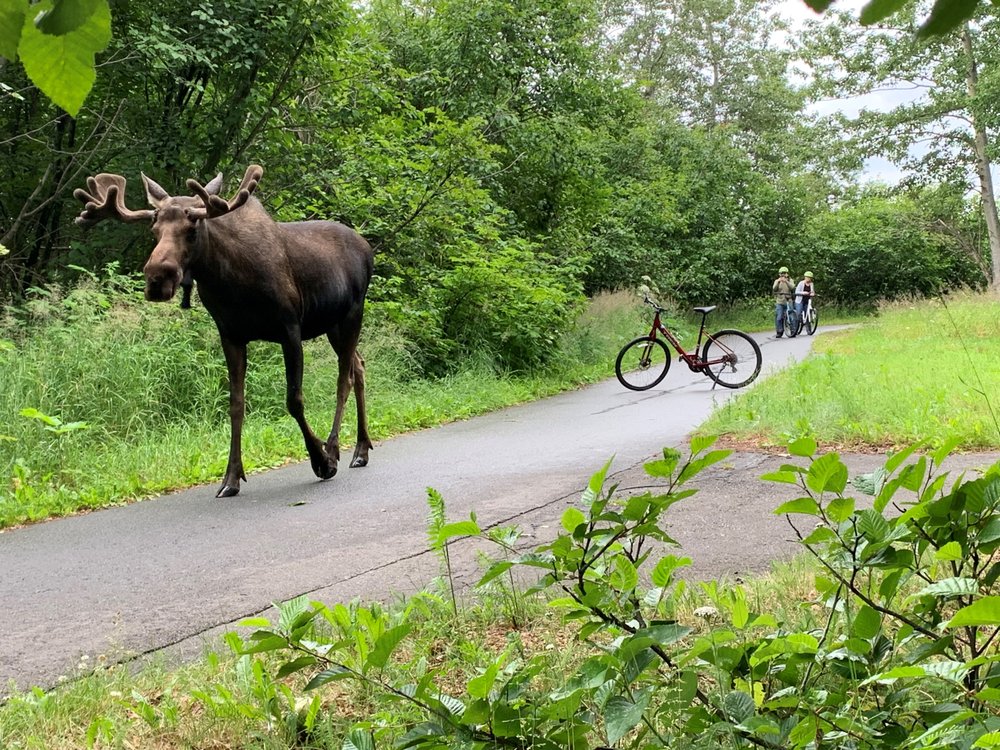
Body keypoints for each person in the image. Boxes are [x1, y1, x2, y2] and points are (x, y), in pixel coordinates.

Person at [772, 266, 795, 337]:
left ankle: (793, 330)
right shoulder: (777, 281)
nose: (783, 275)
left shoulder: (790, 280)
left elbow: (792, 287)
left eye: (784, 273)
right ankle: (779, 331)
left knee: (791, 316)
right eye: (781, 273)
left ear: (787, 274)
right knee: (779, 317)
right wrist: (778, 282)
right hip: (780, 301)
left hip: (788, 300)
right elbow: (774, 289)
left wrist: (786, 281)